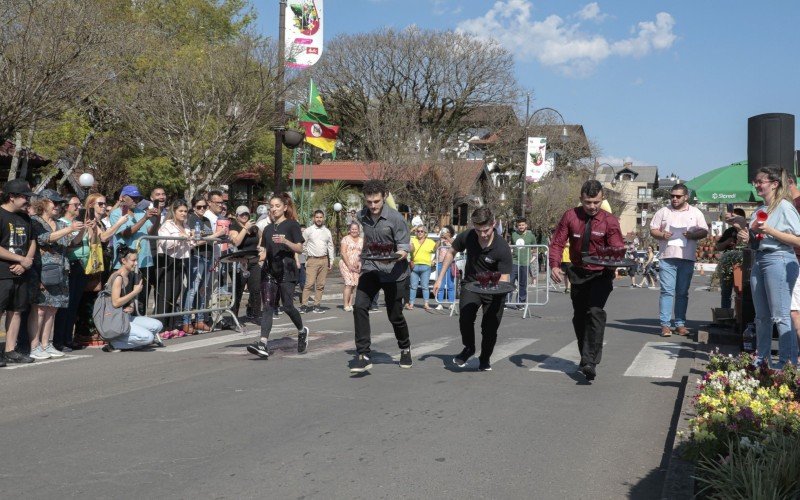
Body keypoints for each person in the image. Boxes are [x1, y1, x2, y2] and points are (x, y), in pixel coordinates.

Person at [549, 180, 624, 381]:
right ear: (581, 199)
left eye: (596, 202)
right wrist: (554, 265)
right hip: (578, 272)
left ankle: (590, 361)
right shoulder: (570, 216)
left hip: (601, 273)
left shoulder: (610, 221)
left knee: (595, 312)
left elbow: (617, 247)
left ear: (602, 200)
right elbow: (557, 242)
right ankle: (585, 354)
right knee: (580, 315)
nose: (592, 207)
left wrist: (613, 259)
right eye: (588, 202)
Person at [433, 206, 512, 371]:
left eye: (486, 230)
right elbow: (451, 252)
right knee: (465, 318)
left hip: (494, 289)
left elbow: (504, 279)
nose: (482, 234)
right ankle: (469, 347)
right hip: (472, 284)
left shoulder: (502, 247)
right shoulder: (468, 235)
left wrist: (498, 295)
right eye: (478, 230)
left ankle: (485, 358)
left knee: (489, 328)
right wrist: (439, 278)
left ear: (494, 224)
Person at [737, 166, 800, 368]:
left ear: (774, 184)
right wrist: (747, 236)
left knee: (781, 315)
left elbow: (798, 240)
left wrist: (770, 230)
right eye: (755, 181)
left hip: (780, 258)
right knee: (761, 316)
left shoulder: (784, 207)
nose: (756, 185)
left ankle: (786, 363)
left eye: (760, 181)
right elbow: (756, 241)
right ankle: (762, 359)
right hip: (761, 259)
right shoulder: (759, 210)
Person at [350, 180, 413, 373]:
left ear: (384, 197)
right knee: (359, 306)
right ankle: (363, 354)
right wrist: (362, 257)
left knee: (395, 316)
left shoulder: (396, 219)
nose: (373, 206)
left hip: (394, 272)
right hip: (371, 268)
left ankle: (405, 348)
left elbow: (405, 248)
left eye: (376, 202)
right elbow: (366, 239)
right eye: (369, 202)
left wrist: (395, 256)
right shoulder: (361, 215)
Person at [246, 193, 309, 359]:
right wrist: (248, 257)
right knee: (267, 307)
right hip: (269, 272)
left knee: (288, 306)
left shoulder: (292, 225)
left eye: (277, 206)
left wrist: (285, 242)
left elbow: (300, 249)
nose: (273, 209)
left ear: (285, 207)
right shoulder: (267, 229)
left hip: (287, 270)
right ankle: (263, 343)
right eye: (271, 206)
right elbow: (264, 252)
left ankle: (302, 331)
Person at [650, 183, 709, 337]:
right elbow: (653, 230)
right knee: (667, 291)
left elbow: (704, 231)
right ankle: (665, 325)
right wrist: (662, 235)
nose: (674, 199)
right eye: (672, 196)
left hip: (686, 258)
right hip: (667, 257)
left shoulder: (695, 212)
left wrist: (692, 235)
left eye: (678, 196)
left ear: (686, 197)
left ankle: (680, 324)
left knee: (682, 293)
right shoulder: (663, 211)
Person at [0, 179, 37, 365]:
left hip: (21, 272)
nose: (27, 200)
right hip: (2, 273)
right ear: (11, 196)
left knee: (16, 312)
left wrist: (26, 262)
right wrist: (19, 259)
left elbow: (32, 241)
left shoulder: (25, 218)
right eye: (24, 196)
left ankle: (10, 350)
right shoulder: (0, 215)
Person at [108, 185, 161, 315]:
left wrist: (158, 218)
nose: (135, 201)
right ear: (122, 197)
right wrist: (145, 218)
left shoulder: (141, 212)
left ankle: (140, 325)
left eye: (137, 198)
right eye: (132, 198)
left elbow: (152, 233)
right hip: (125, 264)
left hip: (143, 262)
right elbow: (126, 233)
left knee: (141, 299)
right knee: (125, 298)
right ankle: (122, 327)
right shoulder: (116, 214)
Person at [103, 244, 164, 351]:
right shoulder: (117, 277)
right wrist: (135, 292)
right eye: (133, 260)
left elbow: (127, 299)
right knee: (148, 337)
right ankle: (115, 344)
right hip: (115, 320)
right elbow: (115, 303)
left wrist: (131, 305)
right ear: (123, 260)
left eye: (137, 260)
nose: (136, 263)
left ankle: (134, 341)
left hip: (127, 317)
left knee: (157, 325)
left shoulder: (130, 275)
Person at [157, 199, 196, 336]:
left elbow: (190, 246)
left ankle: (171, 325)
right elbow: (164, 244)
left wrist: (191, 238)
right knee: (166, 294)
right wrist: (180, 237)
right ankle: (161, 327)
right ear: (174, 211)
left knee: (176, 293)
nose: (184, 213)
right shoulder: (167, 225)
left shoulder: (185, 226)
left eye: (185, 211)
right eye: (181, 211)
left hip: (182, 260)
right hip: (168, 261)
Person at [181, 196, 217, 333]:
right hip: (196, 256)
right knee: (192, 289)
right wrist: (213, 236)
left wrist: (212, 237)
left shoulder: (206, 220)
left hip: (207, 256)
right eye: (198, 207)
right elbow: (195, 240)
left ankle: (200, 319)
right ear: (193, 207)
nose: (202, 209)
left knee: (203, 289)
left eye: (204, 207)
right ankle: (186, 321)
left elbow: (208, 237)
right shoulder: (190, 219)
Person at [229, 205, 262, 322]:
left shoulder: (254, 227)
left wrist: (260, 246)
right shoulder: (234, 226)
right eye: (241, 214)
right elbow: (236, 242)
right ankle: (234, 318)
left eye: (246, 214)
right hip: (240, 263)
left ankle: (256, 314)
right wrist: (244, 229)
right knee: (238, 291)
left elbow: (262, 237)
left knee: (256, 289)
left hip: (253, 261)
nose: (244, 216)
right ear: (237, 216)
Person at [300, 210, 334, 313]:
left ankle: (316, 305)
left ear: (323, 218)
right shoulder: (308, 231)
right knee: (309, 284)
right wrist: (307, 255)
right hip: (312, 260)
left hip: (324, 260)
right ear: (313, 218)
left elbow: (330, 246)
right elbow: (303, 244)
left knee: (320, 285)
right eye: (317, 217)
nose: (319, 219)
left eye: (320, 217)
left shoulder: (327, 231)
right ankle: (304, 305)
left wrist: (331, 260)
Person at [715, 208, 747, 308]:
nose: (732, 220)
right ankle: (726, 315)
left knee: (742, 292)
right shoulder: (729, 231)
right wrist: (727, 241)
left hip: (744, 265)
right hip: (727, 265)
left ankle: (742, 317)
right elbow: (718, 247)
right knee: (726, 292)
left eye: (734, 218)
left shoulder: (748, 229)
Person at [507, 218, 536, 308]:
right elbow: (511, 246)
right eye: (519, 225)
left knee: (522, 284)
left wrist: (531, 259)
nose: (521, 227)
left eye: (523, 225)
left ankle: (520, 303)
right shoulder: (514, 234)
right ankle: (506, 302)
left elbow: (535, 248)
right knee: (510, 282)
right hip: (514, 262)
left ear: (526, 225)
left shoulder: (531, 236)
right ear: (517, 226)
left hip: (525, 263)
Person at [408, 225, 436, 311]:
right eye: (418, 231)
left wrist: (434, 260)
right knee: (413, 286)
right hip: (414, 266)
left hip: (425, 266)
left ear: (425, 233)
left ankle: (426, 304)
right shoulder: (413, 239)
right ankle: (411, 304)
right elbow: (406, 239)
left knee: (425, 286)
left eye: (421, 231)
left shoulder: (430, 242)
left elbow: (437, 250)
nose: (419, 233)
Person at [339, 222, 363, 312]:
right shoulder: (345, 239)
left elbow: (363, 254)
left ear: (358, 230)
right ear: (349, 230)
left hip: (356, 265)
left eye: (356, 229)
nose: (354, 231)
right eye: (352, 229)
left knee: (354, 285)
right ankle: (345, 304)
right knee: (348, 283)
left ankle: (350, 303)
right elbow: (343, 252)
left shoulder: (362, 240)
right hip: (346, 264)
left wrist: (360, 263)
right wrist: (349, 265)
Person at [435, 225, 457, 308]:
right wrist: (440, 240)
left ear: (450, 233)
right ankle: (440, 303)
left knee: (450, 284)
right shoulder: (441, 240)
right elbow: (435, 248)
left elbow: (455, 245)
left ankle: (451, 303)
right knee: (440, 284)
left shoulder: (453, 240)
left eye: (447, 231)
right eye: (444, 231)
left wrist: (447, 238)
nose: (445, 233)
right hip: (441, 263)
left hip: (451, 263)